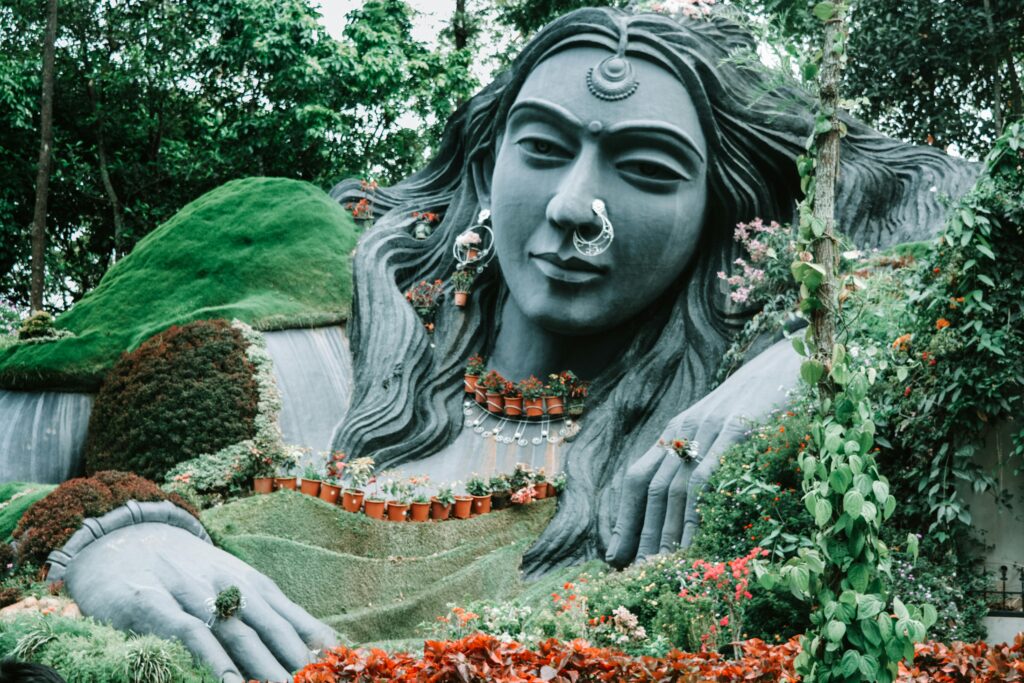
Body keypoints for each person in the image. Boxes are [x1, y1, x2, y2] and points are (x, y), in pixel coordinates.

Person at [47, 7, 974, 681]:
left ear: (718, 215)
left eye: (647, 170)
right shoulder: (317, 347)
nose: (576, 206)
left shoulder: (722, 430)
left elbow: (981, 219)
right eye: (541, 147)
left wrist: (817, 339)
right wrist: (103, 539)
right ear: (487, 164)